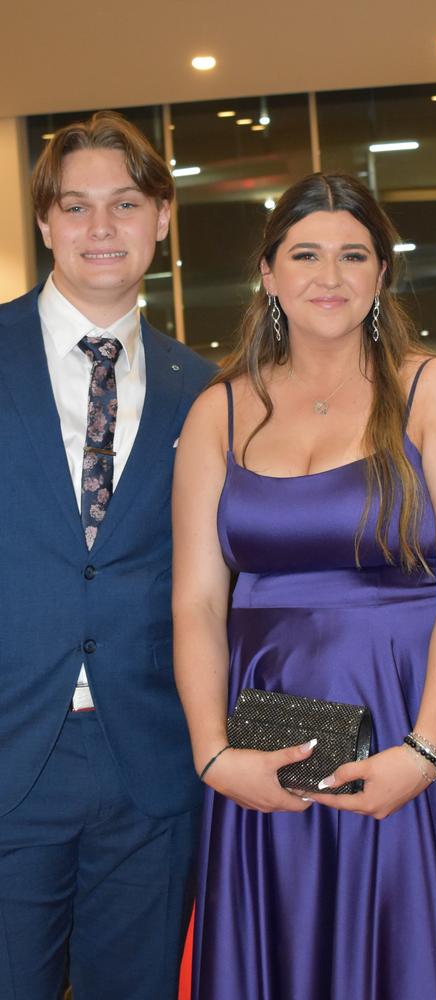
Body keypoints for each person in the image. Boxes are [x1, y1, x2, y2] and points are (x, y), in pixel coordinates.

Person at [172, 172, 436, 999]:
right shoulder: (216, 411)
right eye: (305, 254)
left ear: (381, 273)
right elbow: (195, 600)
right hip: (265, 738)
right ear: (268, 274)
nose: (329, 276)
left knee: (413, 951)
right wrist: (214, 756)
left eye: (353, 254)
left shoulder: (432, 389)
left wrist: (426, 752)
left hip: (411, 718)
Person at [0, 111, 213, 1000]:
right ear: (44, 221)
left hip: (151, 767)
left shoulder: (205, 388)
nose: (100, 228)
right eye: (75, 206)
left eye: (125, 204)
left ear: (161, 217)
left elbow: (239, 587)